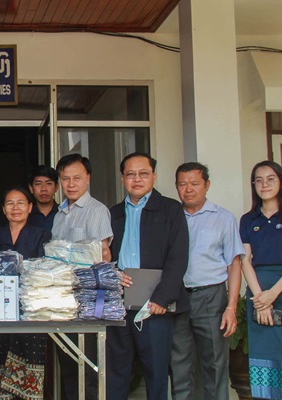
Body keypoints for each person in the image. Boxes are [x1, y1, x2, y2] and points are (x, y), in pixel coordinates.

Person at [107, 152, 189, 400]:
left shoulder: (170, 209)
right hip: (119, 304)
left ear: (154, 176)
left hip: (155, 306)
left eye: (143, 173)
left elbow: (178, 257)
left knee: (156, 372)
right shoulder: (114, 213)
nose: (137, 179)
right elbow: (101, 256)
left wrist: (162, 299)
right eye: (130, 174)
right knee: (117, 372)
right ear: (123, 178)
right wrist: (113, 274)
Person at [170, 162, 244, 400]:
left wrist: (231, 307)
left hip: (211, 298)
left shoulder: (223, 218)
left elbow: (234, 264)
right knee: (179, 365)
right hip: (177, 297)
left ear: (207, 185)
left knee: (214, 364)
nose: (188, 189)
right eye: (182, 184)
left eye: (194, 183)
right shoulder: (171, 216)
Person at [51, 153, 113, 400]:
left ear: (87, 178)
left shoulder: (96, 210)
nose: (71, 183)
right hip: (62, 299)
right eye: (65, 178)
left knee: (88, 367)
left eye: (77, 177)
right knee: (68, 366)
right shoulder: (59, 214)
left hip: (87, 300)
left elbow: (103, 256)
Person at [0, 186, 51, 399]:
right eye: (10, 203)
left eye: (21, 203)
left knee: (31, 356)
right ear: (3, 209)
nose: (15, 208)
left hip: (30, 307)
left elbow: (44, 269)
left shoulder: (42, 234)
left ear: (30, 207)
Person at [240, 160, 282, 399]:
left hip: (277, 290)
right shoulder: (248, 219)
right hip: (258, 293)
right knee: (264, 359)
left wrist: (272, 295)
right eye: (258, 180)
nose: (264, 184)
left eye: (270, 179)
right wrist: (259, 299)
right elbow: (245, 260)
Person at [27, 165, 59, 232]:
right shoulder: (25, 215)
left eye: (48, 183)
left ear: (56, 187)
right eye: (38, 184)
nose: (44, 189)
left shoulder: (65, 213)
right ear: (31, 188)